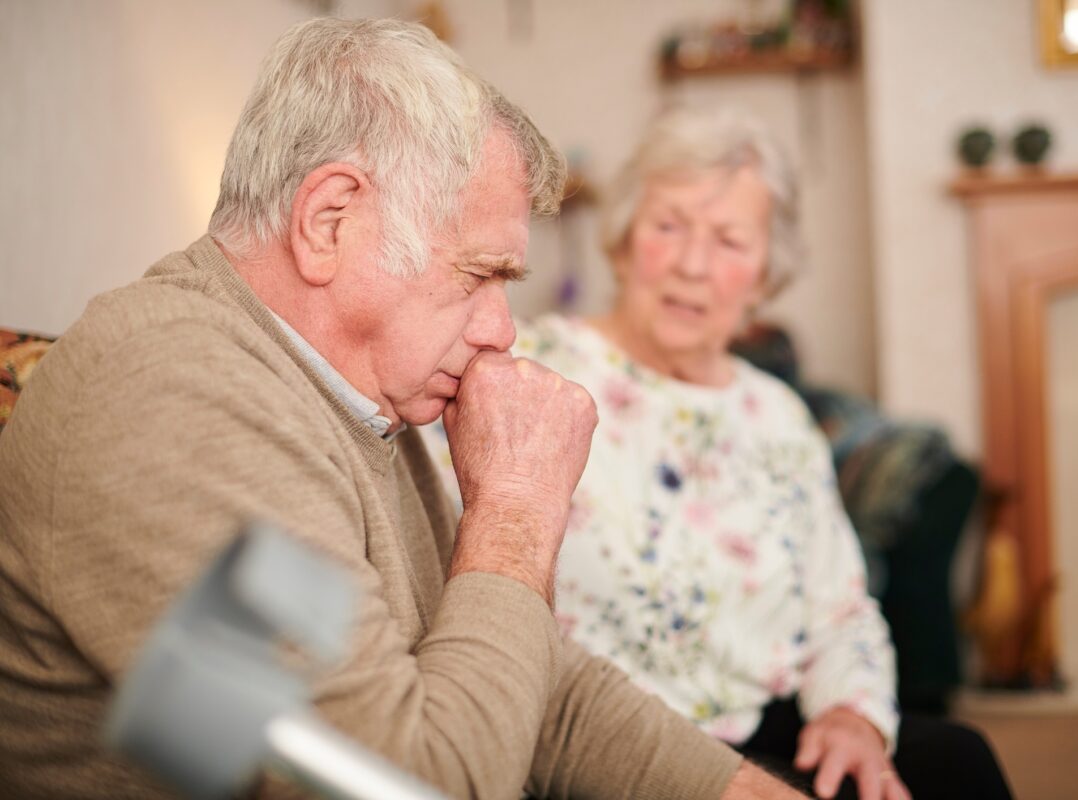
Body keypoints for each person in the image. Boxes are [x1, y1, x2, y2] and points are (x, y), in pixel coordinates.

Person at [0, 20, 805, 800]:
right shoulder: (173, 393)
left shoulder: (351, 390)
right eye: (477, 275)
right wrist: (517, 511)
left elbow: (534, 690)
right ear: (329, 220)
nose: (502, 329)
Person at [425, 104, 1015, 800]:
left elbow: (842, 611)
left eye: (731, 241)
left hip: (762, 725)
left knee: (955, 762)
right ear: (623, 241)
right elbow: (434, 550)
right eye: (669, 227)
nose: (693, 265)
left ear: (766, 275)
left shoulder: (779, 418)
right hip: (600, 738)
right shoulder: (518, 369)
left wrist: (852, 716)